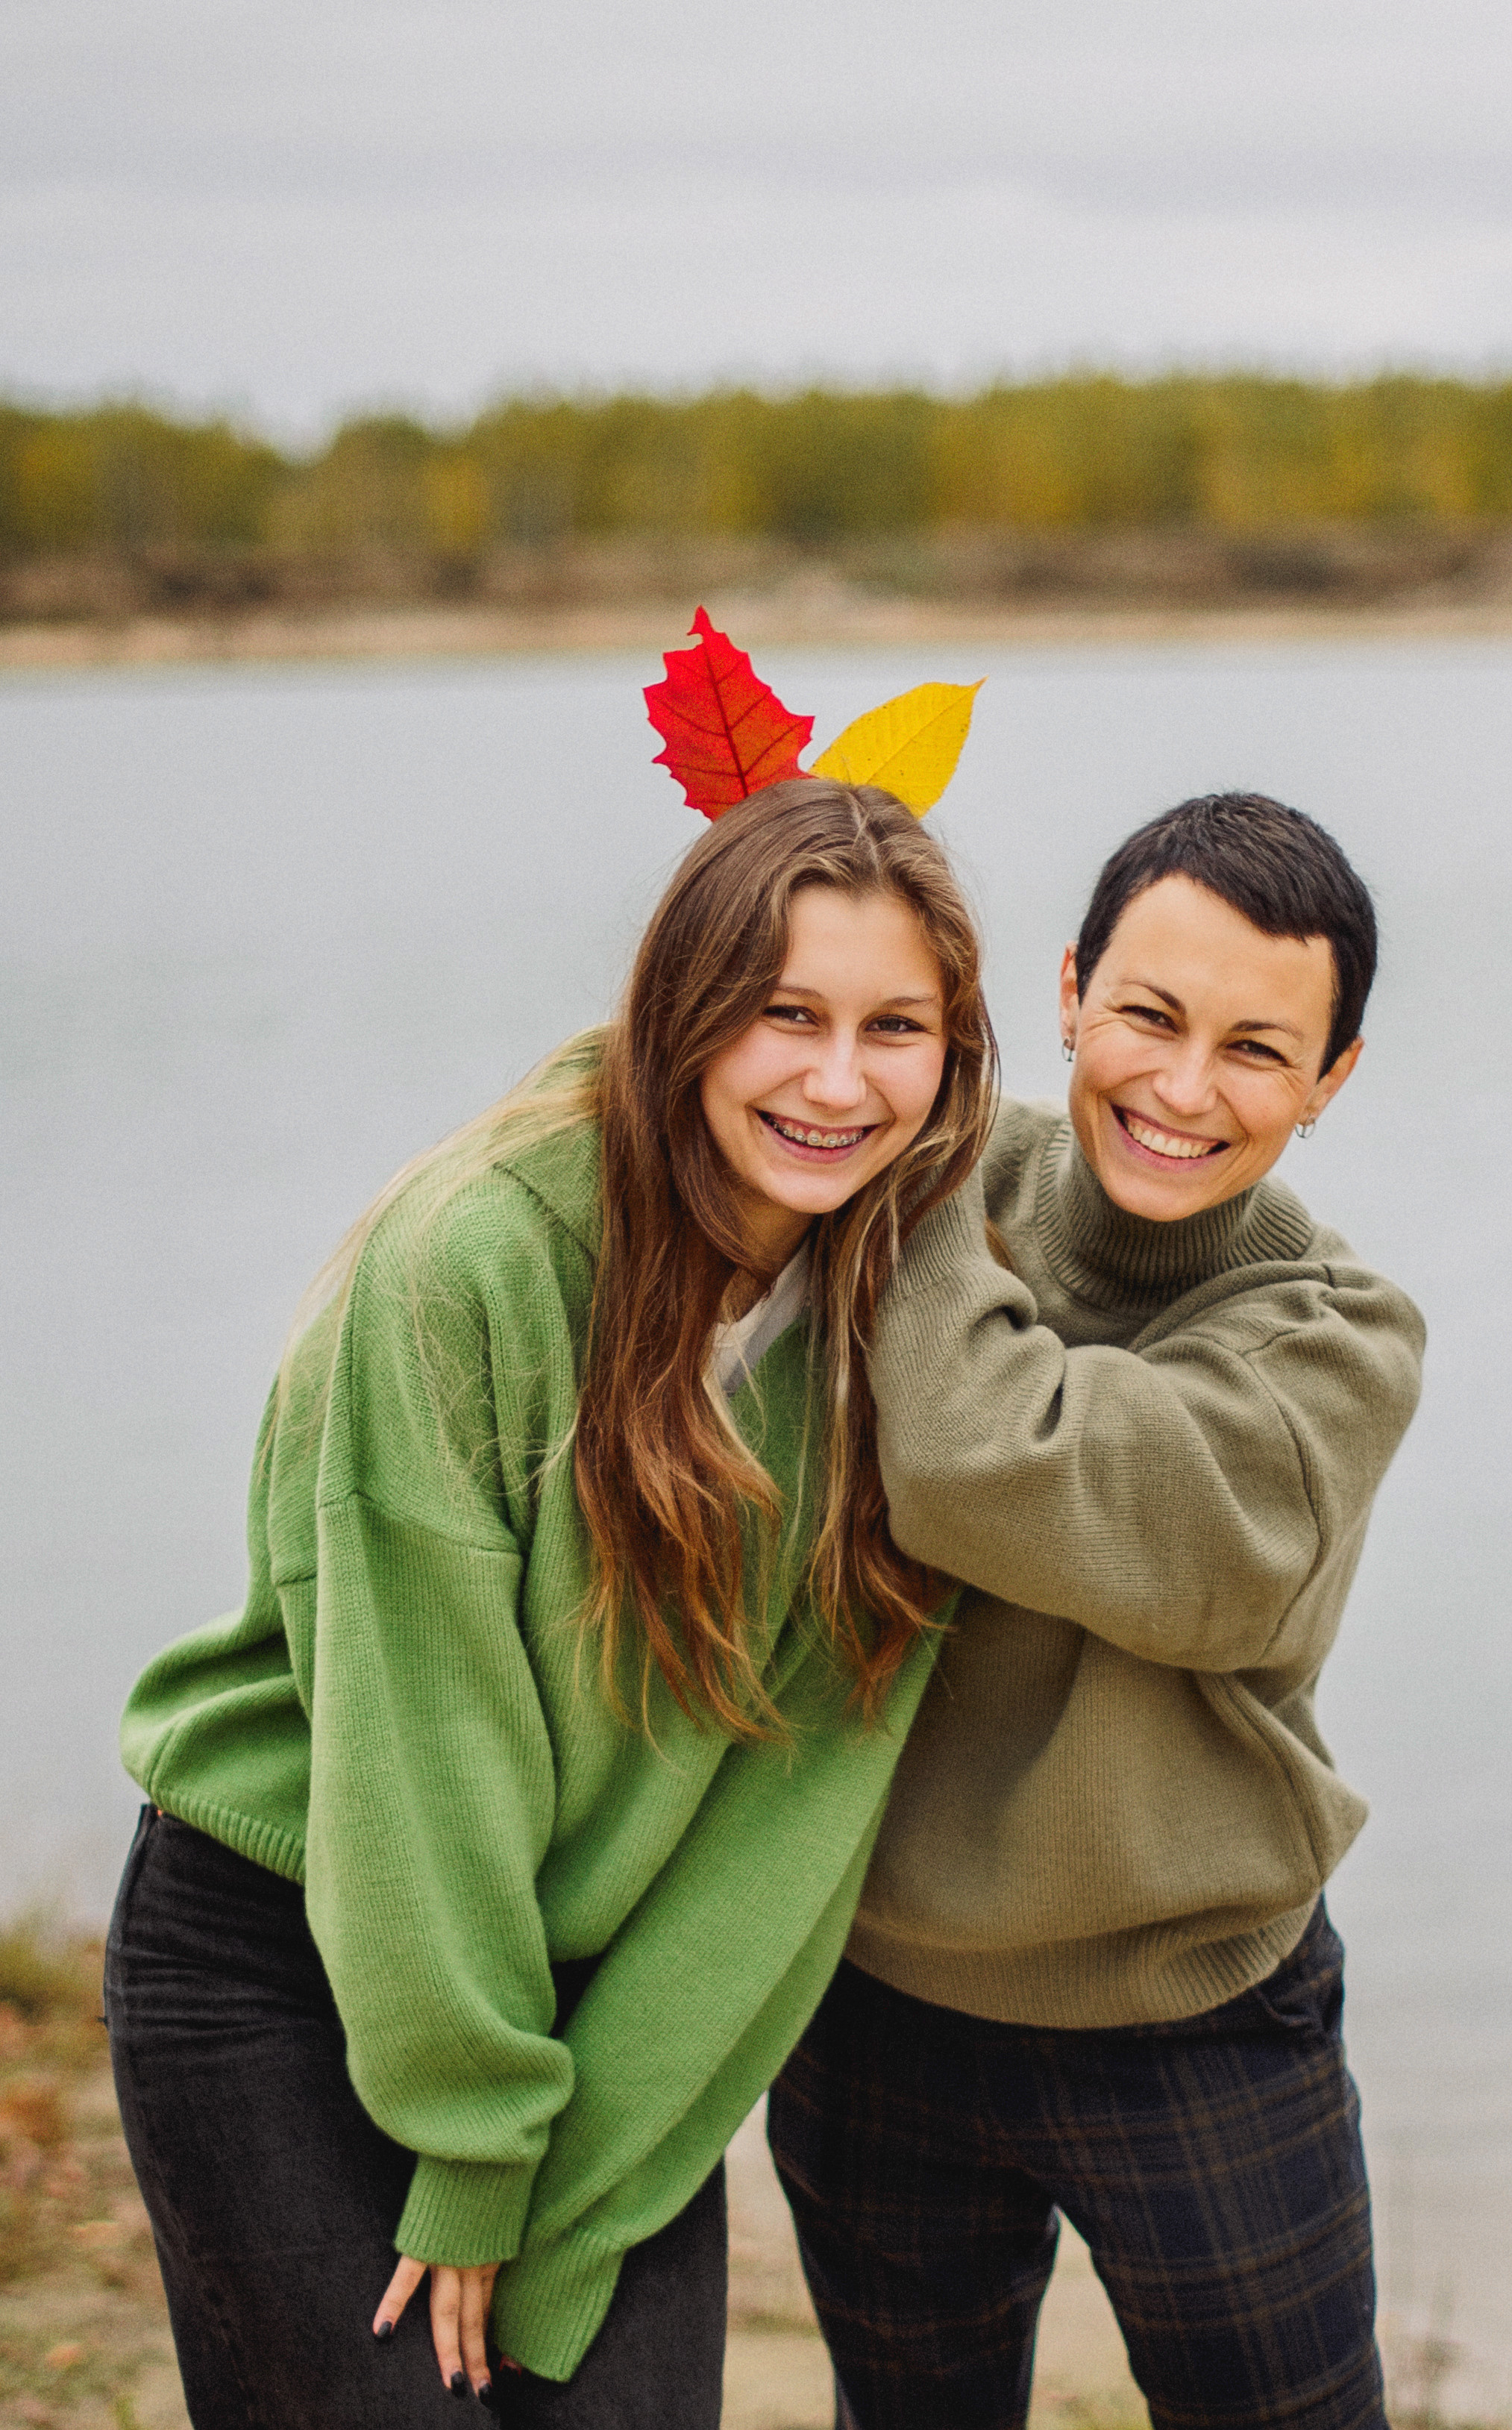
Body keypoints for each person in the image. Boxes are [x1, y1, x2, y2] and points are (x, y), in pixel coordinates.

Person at [104, 777, 996, 2430]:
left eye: (897, 1028)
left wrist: (577, 2166)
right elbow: (425, 1751)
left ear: (955, 1060)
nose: (835, 1080)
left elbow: (782, 1825)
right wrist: (469, 2146)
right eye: (785, 1014)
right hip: (295, 1944)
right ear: (682, 1011)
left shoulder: (913, 1324)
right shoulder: (474, 1263)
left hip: (591, 1991)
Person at [770, 792, 1426, 2430]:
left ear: (1330, 1081)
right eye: (1145, 1015)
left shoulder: (1335, 1342)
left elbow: (985, 1462)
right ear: (1067, 992)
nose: (1183, 1089)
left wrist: (907, 1163)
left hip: (1187, 2010)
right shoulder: (922, 1157)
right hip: (867, 1997)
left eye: (1259, 1050)